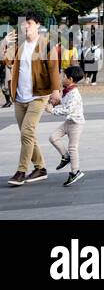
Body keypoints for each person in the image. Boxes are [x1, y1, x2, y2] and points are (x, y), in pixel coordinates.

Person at [5, 14, 61, 186]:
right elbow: (6, 61)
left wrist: (56, 91)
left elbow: (53, 69)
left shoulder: (45, 44)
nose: (26, 26)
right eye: (24, 24)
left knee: (27, 133)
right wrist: (6, 43)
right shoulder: (19, 45)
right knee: (28, 134)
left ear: (38, 25)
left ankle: (21, 171)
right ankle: (40, 168)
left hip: (38, 95)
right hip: (20, 97)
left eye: (29, 23)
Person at [47, 64, 86, 186]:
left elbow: (67, 110)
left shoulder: (74, 93)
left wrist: (52, 110)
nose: (62, 78)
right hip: (68, 122)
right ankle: (65, 156)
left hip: (76, 123)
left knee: (73, 147)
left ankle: (75, 172)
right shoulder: (67, 91)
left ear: (71, 79)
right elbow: (64, 104)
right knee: (53, 137)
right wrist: (57, 102)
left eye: (64, 76)